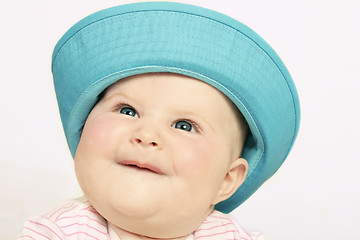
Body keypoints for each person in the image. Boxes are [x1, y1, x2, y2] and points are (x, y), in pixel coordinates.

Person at [17, 2, 300, 239]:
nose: (146, 134)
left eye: (184, 125)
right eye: (127, 111)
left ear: (226, 179)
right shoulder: (56, 233)